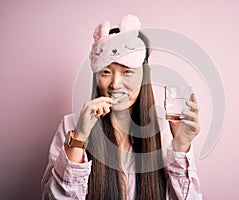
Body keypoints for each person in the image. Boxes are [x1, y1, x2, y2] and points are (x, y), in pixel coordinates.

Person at [41, 14, 202, 200]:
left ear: (145, 74)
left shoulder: (164, 128)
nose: (115, 84)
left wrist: (181, 145)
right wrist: (79, 137)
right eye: (106, 72)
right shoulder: (71, 125)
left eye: (127, 72)